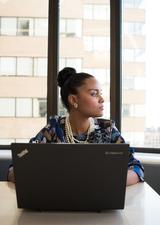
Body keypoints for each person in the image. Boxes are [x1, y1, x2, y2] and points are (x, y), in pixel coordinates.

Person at [8, 67, 144, 185]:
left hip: (99, 205)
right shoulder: (53, 129)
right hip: (57, 206)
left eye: (100, 93)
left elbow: (136, 168)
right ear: (73, 100)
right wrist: (49, 180)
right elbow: (17, 164)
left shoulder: (107, 129)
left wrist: (105, 181)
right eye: (94, 94)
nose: (102, 99)